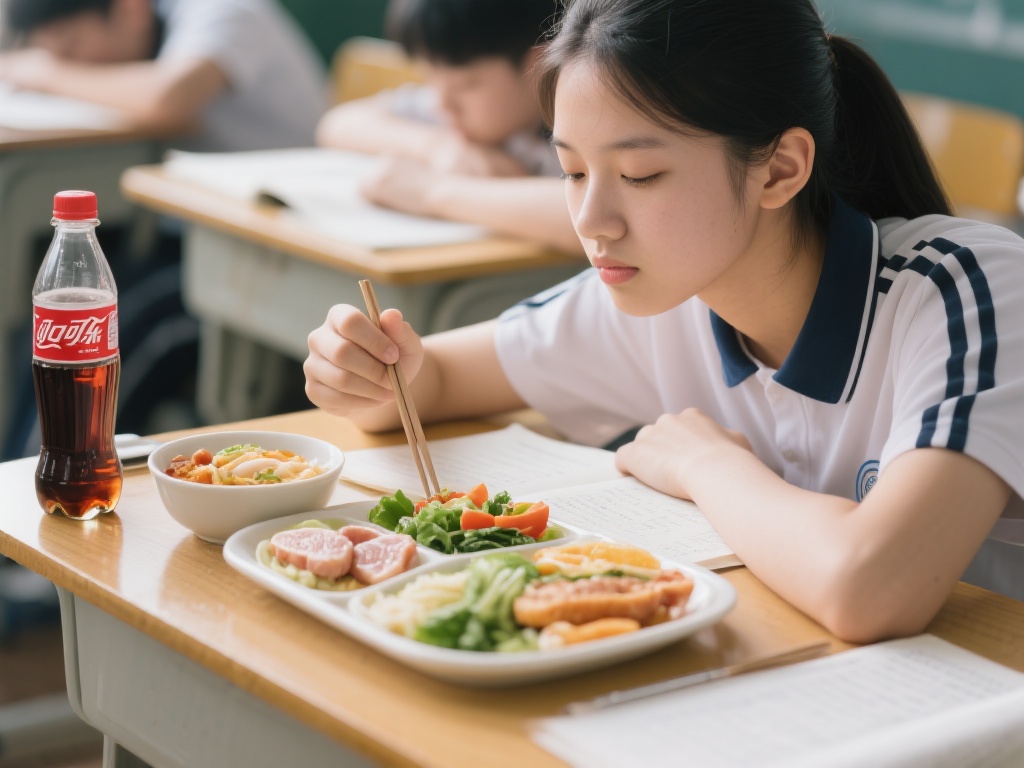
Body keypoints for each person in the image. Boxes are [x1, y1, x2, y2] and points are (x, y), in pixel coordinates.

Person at [304, 0, 1024, 642]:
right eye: (574, 172)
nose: (591, 223)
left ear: (779, 169)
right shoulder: (669, 291)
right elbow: (433, 382)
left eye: (640, 176)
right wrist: (371, 366)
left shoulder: (969, 287)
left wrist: (704, 462)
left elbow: (873, 590)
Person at [316, 0, 582, 254]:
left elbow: (584, 217)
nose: (441, 104)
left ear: (541, 64)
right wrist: (437, 146)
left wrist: (432, 192)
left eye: (465, 85)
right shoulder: (457, 111)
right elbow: (338, 124)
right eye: (431, 77)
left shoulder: (583, 122)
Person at [0, 0, 327, 151]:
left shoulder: (226, 11)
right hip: (196, 205)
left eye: (71, 50)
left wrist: (49, 74)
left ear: (131, 8)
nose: (64, 64)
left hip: (279, 220)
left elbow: (167, 100)